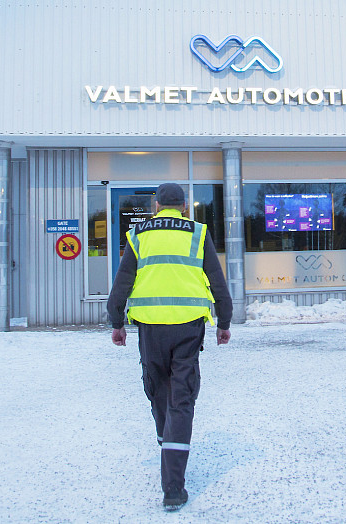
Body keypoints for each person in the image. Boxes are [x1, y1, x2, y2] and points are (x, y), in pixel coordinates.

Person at [107, 182, 233, 512]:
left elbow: (123, 281)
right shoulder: (198, 232)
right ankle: (173, 465)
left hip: (150, 328)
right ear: (183, 207)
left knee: (160, 391)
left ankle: (172, 482)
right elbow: (217, 279)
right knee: (182, 397)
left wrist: (116, 322)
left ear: (158, 203)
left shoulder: (140, 234)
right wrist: (225, 321)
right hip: (189, 328)